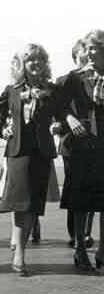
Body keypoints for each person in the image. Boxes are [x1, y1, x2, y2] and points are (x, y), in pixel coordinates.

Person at [0, 43, 63, 276]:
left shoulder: (52, 90)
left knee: (33, 203)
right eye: (30, 59)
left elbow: (62, 115)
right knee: (19, 201)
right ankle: (20, 252)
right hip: (18, 150)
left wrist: (58, 125)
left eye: (40, 59)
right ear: (23, 64)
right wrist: (0, 127)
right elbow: (0, 110)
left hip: (41, 150)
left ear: (45, 63)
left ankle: (20, 249)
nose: (35, 63)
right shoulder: (12, 89)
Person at [59, 29, 104, 271]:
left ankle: (103, 250)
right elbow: (59, 105)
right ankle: (80, 248)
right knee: (80, 199)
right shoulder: (75, 77)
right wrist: (70, 118)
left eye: (93, 48)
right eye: (87, 48)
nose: (89, 52)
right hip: (82, 143)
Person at [55, 39, 95, 249]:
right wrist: (67, 122)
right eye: (83, 54)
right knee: (76, 189)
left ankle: (86, 232)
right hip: (72, 143)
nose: (88, 57)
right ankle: (76, 234)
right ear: (75, 57)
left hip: (95, 141)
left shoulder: (98, 77)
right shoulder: (65, 80)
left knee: (94, 188)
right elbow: (57, 110)